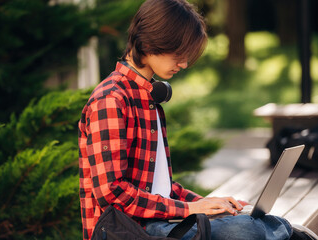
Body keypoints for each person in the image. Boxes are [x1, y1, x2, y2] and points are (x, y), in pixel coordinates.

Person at [78, 0, 318, 239]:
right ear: (150, 43)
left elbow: (159, 188)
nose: (183, 64)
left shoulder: (147, 98)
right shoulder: (111, 100)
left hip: (155, 223)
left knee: (254, 222)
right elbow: (112, 193)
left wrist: (205, 202)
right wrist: (192, 209)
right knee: (248, 230)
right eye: (178, 54)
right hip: (127, 230)